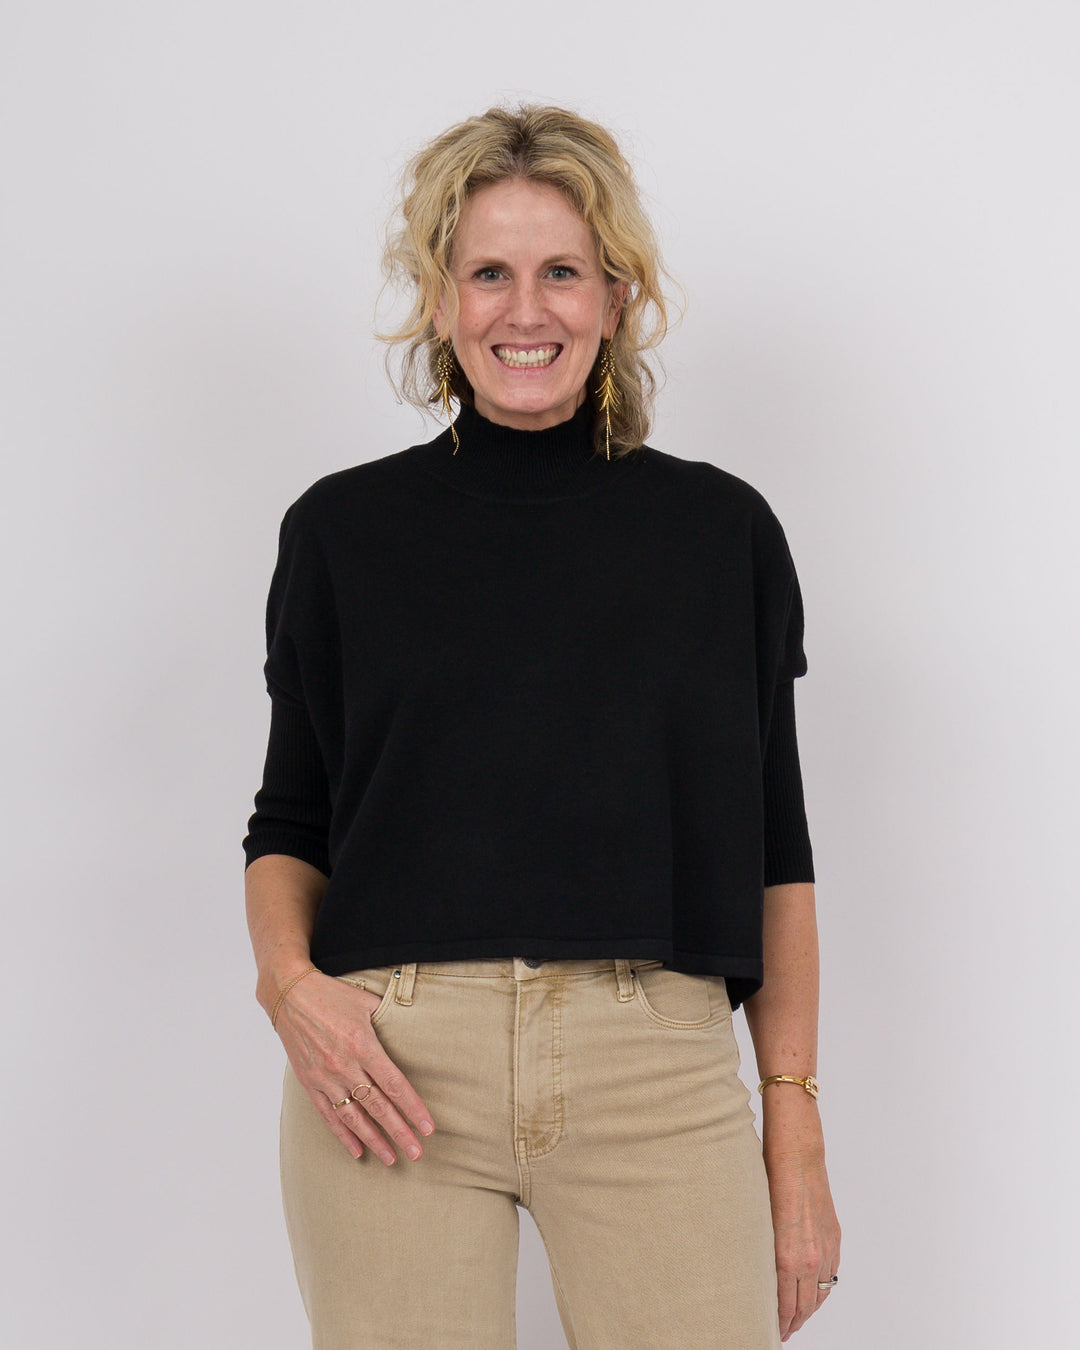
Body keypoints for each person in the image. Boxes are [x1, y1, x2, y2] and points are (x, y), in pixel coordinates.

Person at [243, 103, 841, 1350]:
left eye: (563, 271)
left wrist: (793, 1122)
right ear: (440, 298)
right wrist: (290, 988)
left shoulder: (721, 534)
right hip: (391, 1062)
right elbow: (291, 819)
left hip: (655, 1060)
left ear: (617, 297)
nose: (527, 311)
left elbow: (774, 843)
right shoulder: (342, 532)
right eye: (489, 274)